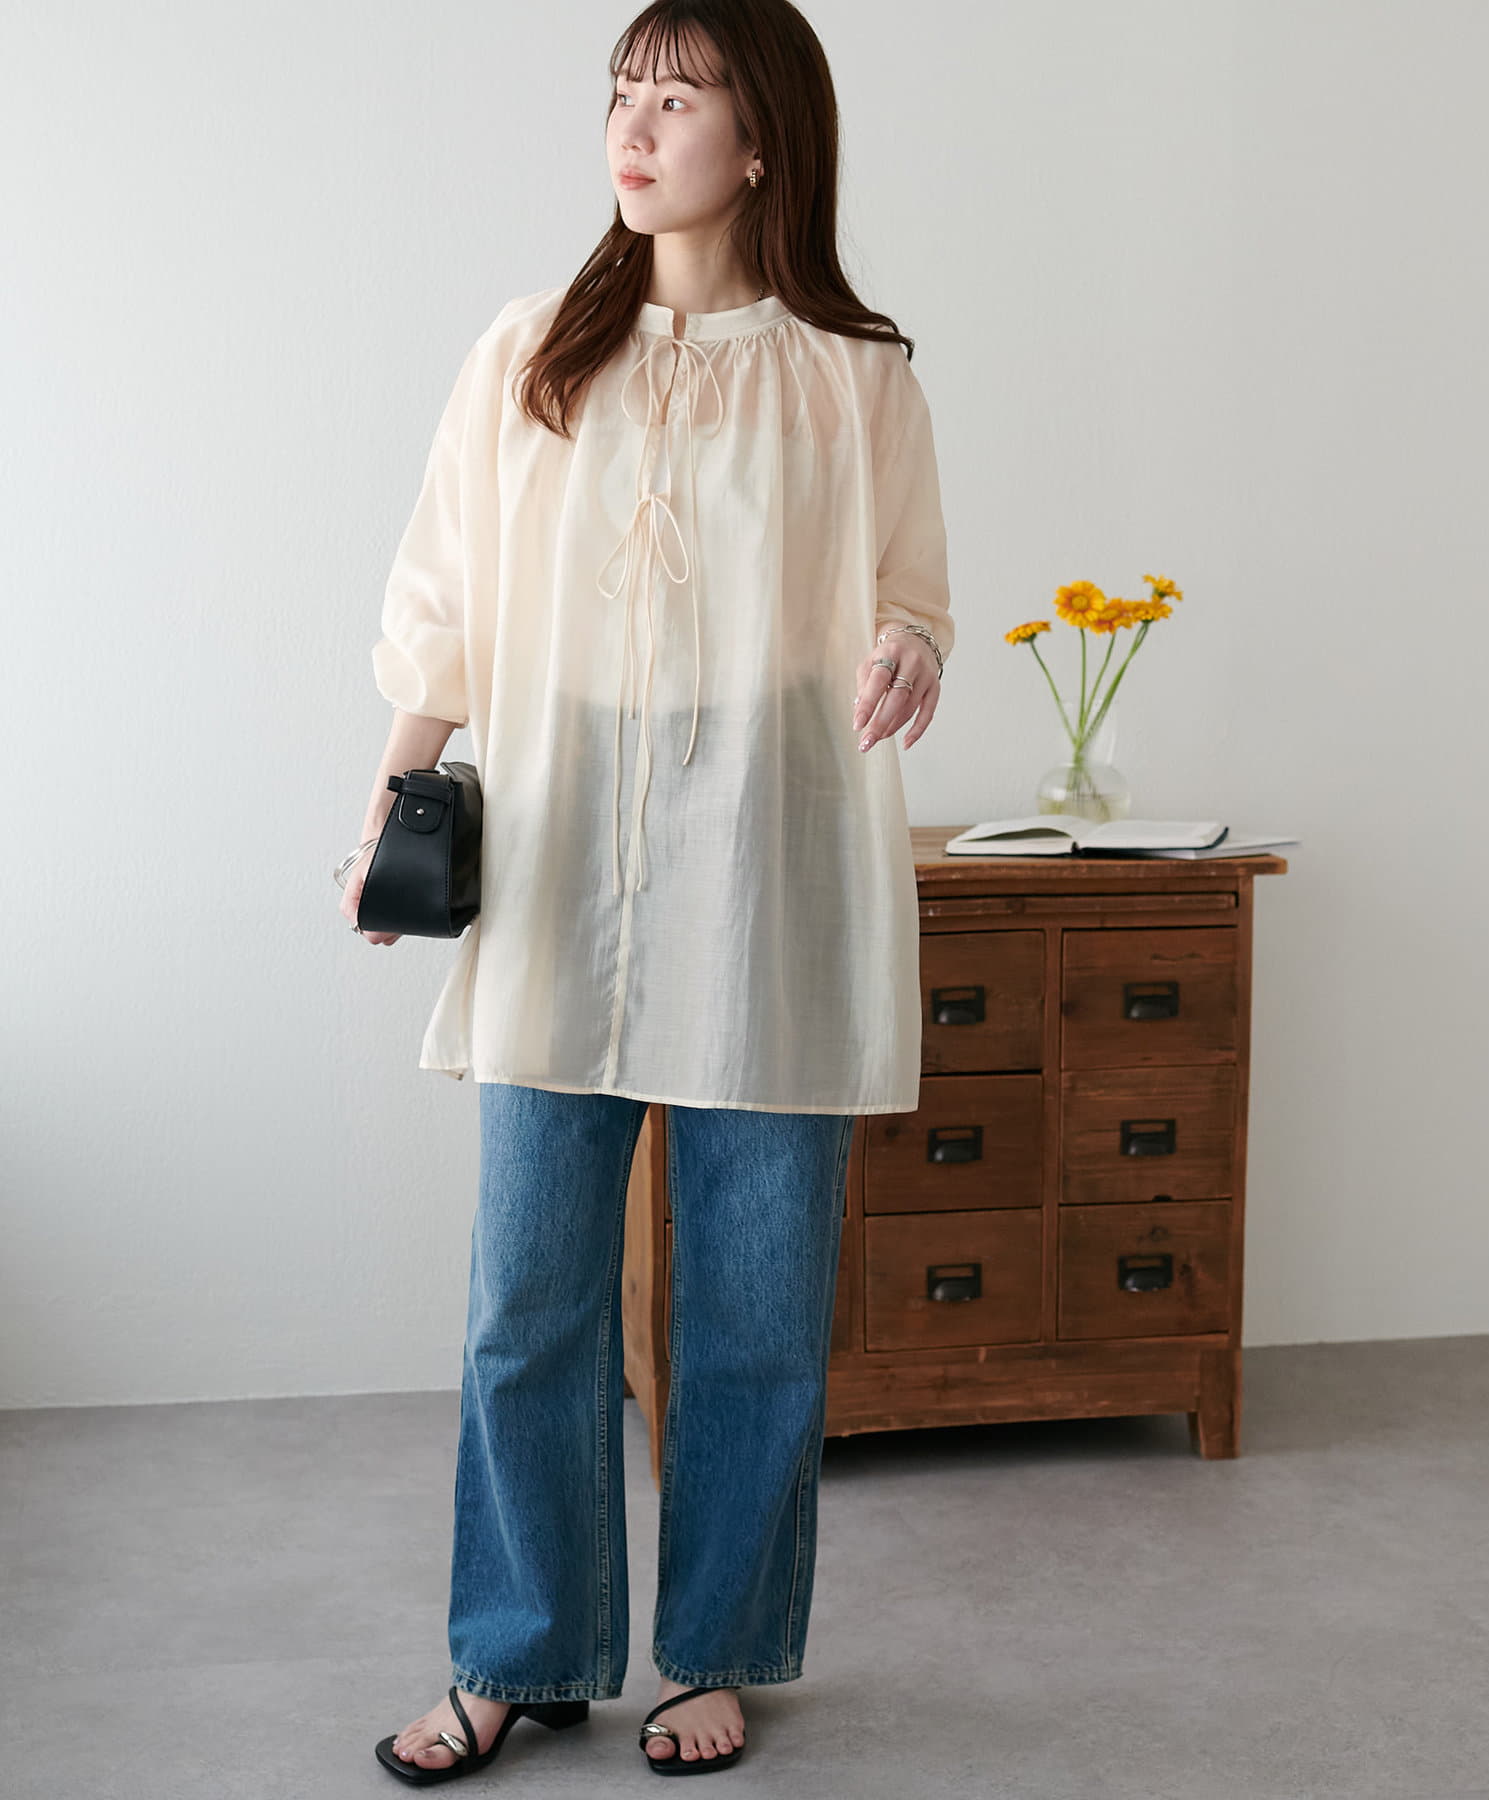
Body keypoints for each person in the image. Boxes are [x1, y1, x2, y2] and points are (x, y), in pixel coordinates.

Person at [339, 0, 954, 1781]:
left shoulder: (855, 373)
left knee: (754, 1308)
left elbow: (911, 589)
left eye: (679, 97)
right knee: (529, 1299)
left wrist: (910, 646)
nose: (636, 123)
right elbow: (445, 594)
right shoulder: (532, 347)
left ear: (760, 141)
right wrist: (389, 803)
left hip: (770, 853)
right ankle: (517, 1653)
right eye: (624, 90)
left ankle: (719, 1650)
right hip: (559, 853)